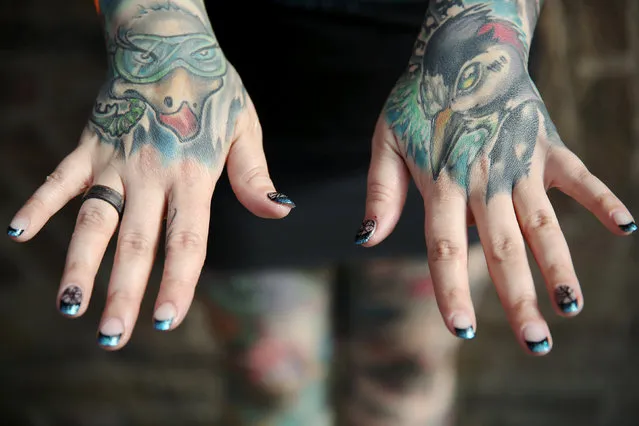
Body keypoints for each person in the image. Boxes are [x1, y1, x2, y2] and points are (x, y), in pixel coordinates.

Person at [7, 0, 636, 424]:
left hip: (448, 135)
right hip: (216, 138)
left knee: (408, 373)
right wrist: (150, 22)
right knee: (271, 378)